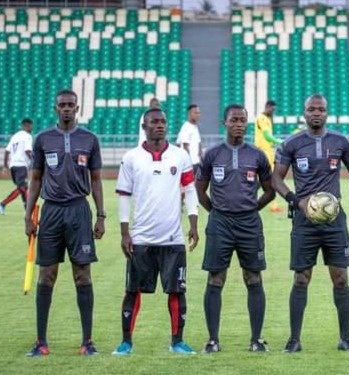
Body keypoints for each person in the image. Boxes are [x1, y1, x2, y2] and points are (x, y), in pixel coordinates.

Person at [272, 93, 349, 353]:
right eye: (312, 109)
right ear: (304, 113)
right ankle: (294, 339)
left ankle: (346, 338)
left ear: (327, 113)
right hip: (304, 221)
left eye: (321, 109)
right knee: (301, 279)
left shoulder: (341, 141)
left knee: (341, 279)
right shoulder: (291, 144)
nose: (316, 113)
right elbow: (276, 179)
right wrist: (296, 201)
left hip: (335, 220)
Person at [24, 89, 106, 356]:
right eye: (62, 105)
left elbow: (96, 180)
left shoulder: (90, 139)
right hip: (50, 213)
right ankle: (41, 342)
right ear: (55, 108)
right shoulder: (43, 139)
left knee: (82, 275)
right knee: (46, 275)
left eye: (71, 104)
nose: (67, 108)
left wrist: (101, 214)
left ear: (77, 107)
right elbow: (35, 179)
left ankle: (87, 342)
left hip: (79, 211)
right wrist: (28, 215)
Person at [112, 108, 199, 356]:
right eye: (154, 122)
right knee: (132, 290)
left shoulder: (180, 156)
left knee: (177, 290)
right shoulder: (131, 158)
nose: (160, 125)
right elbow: (124, 196)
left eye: (163, 121)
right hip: (141, 238)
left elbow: (190, 190)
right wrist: (124, 232)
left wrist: (193, 223)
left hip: (173, 238)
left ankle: (177, 342)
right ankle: (126, 342)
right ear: (144, 126)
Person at [196, 104, 275, 353]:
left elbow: (271, 190)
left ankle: (256, 339)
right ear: (225, 123)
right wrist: (217, 212)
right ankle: (212, 340)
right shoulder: (212, 154)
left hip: (249, 224)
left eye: (243, 120)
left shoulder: (257, 156)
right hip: (220, 223)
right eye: (234, 120)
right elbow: (200, 189)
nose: (239, 124)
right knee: (215, 278)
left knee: (253, 278)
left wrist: (252, 208)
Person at [0, 118, 34, 215]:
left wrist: (5, 166)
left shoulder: (15, 136)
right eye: (30, 126)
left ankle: (25, 209)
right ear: (27, 125)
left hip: (13, 165)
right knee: (22, 187)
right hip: (21, 165)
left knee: (22, 188)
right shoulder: (27, 136)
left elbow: (7, 151)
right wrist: (35, 161)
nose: (31, 128)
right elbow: (27, 151)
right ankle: (4, 204)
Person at [254, 100, 283, 213]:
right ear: (267, 107)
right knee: (269, 178)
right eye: (272, 109)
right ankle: (273, 206)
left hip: (268, 152)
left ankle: (252, 198)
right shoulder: (261, 118)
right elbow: (267, 136)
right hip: (262, 153)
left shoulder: (268, 119)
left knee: (266, 179)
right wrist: (280, 141)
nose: (273, 112)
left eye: (274, 110)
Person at [176, 104, 203, 176]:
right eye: (196, 113)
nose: (198, 115)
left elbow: (198, 142)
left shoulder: (194, 126)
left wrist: (201, 156)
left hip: (196, 162)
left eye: (199, 113)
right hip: (191, 164)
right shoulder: (186, 127)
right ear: (189, 114)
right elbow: (185, 146)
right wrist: (188, 163)